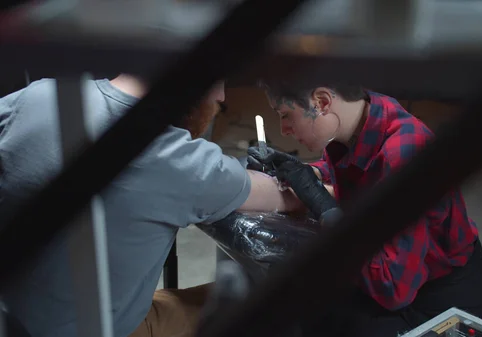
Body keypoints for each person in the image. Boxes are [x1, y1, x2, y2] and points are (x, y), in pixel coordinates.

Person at [0, 74, 304, 337]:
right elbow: (285, 194)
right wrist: (319, 181)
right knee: (257, 301)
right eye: (219, 82)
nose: (223, 97)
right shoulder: (181, 162)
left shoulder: (38, 96)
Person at [247, 81, 482, 336]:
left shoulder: (406, 153)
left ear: (322, 103)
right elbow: (349, 169)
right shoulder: (363, 115)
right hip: (402, 278)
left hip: (443, 301)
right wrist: (308, 172)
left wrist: (323, 205)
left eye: (286, 115)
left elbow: (393, 288)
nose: (284, 130)